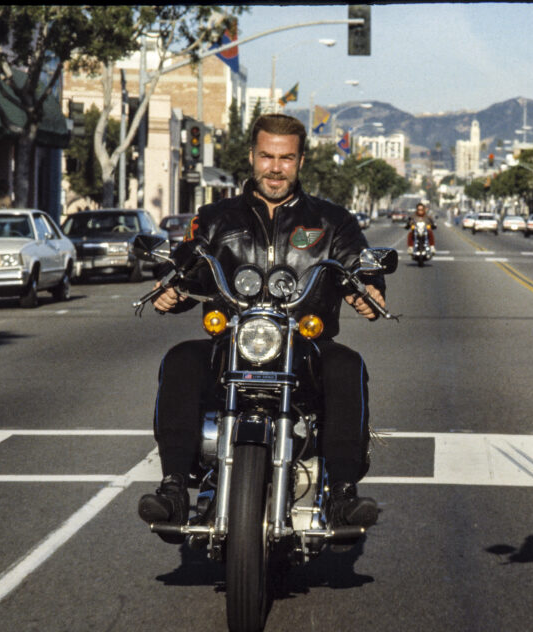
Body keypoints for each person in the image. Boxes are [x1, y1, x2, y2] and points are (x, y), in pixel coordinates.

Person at [138, 113, 386, 535]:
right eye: (267, 156)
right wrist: (172, 290)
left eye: (286, 158)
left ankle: (343, 492)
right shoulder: (215, 218)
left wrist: (368, 289)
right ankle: (175, 485)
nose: (275, 168)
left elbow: (357, 267)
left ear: (301, 161)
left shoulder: (333, 221)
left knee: (348, 365)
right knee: (180, 358)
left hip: (305, 348)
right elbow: (190, 266)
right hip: (232, 343)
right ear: (252, 156)